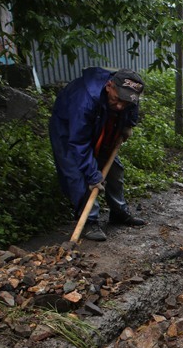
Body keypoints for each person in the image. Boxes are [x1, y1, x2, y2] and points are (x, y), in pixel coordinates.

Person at [49, 67, 146, 241]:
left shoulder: (126, 95)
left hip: (101, 121)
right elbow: (78, 143)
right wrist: (93, 176)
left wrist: (129, 123)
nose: (120, 106)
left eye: (125, 103)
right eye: (117, 100)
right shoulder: (84, 99)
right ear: (109, 86)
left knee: (114, 170)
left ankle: (119, 212)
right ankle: (88, 220)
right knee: (79, 174)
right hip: (68, 129)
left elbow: (132, 106)